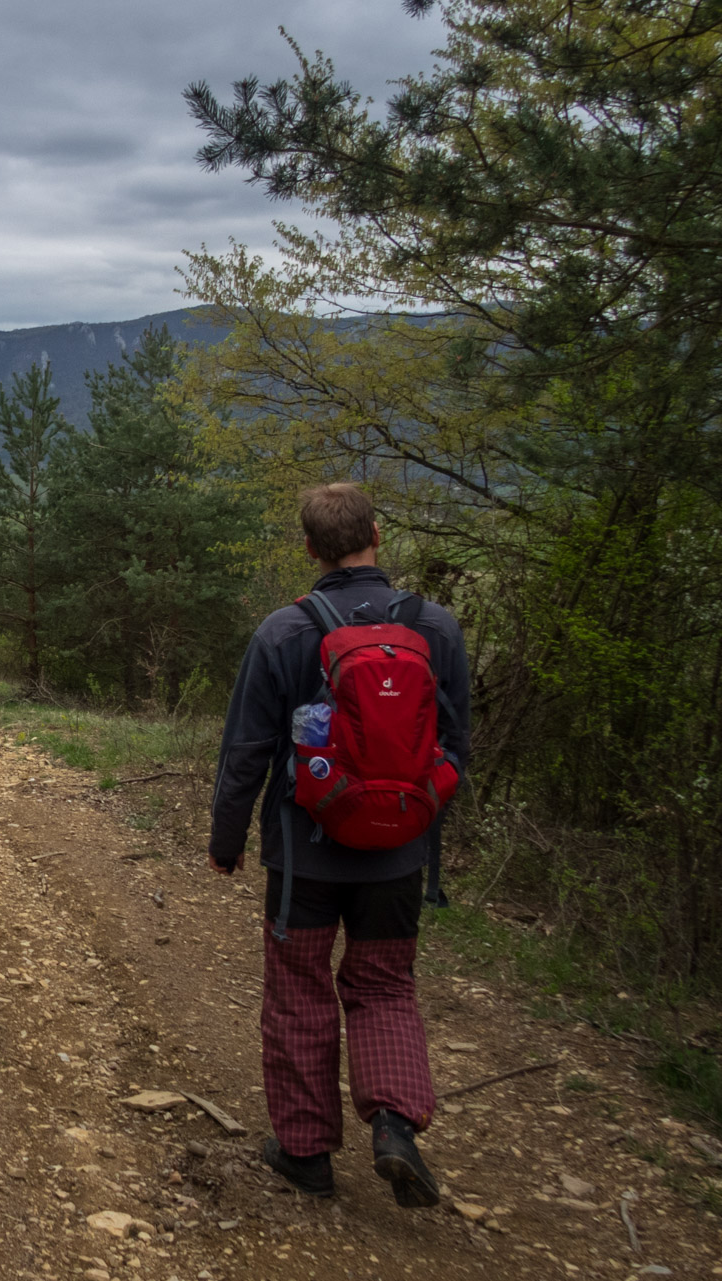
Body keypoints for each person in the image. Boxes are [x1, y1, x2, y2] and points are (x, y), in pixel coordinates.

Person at [207, 483, 471, 1205]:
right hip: (398, 858)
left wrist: (225, 842)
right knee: (385, 985)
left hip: (303, 857)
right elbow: (456, 748)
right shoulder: (436, 628)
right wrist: (413, 821)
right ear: (377, 537)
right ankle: (393, 1123)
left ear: (309, 548)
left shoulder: (283, 633)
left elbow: (245, 754)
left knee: (298, 992)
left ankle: (306, 1152)